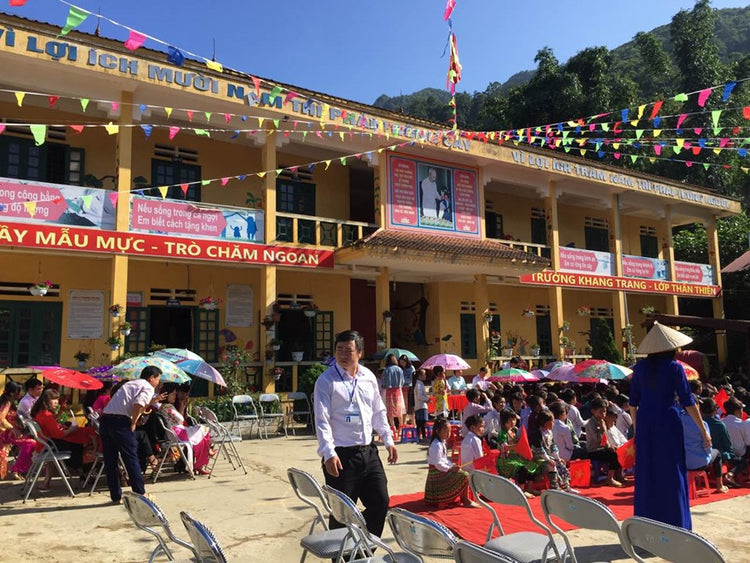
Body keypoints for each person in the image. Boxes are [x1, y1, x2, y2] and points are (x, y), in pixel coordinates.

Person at [313, 330, 397, 536]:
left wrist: (388, 439)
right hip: (341, 456)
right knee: (341, 513)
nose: (342, 354)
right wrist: (328, 453)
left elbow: (378, 411)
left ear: (359, 352)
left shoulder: (368, 377)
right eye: (339, 349)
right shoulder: (326, 381)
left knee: (380, 502)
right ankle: (340, 556)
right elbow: (321, 419)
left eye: (348, 350)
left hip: (368, 452)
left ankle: (363, 549)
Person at [629, 322, 710, 530]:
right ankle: (676, 523)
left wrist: (638, 430)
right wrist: (703, 431)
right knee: (672, 470)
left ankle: (647, 523)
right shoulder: (675, 367)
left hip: (646, 422)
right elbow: (688, 401)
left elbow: (632, 403)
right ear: (671, 347)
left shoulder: (639, 368)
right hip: (667, 420)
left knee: (647, 471)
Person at [100, 366, 166, 504]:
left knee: (111, 461)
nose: (158, 382)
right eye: (158, 379)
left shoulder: (131, 383)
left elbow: (134, 403)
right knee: (130, 457)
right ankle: (140, 493)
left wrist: (152, 402)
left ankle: (116, 496)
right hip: (121, 422)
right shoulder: (148, 387)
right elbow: (137, 406)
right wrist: (134, 422)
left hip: (106, 420)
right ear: (151, 378)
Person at [30, 389, 98, 475]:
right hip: (51, 446)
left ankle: (82, 470)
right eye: (53, 399)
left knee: (79, 439)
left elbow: (52, 426)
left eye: (56, 399)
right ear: (46, 401)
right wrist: (71, 429)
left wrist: (61, 414)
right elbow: (59, 434)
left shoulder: (40, 413)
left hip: (46, 444)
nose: (56, 402)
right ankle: (82, 470)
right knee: (81, 444)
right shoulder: (46, 415)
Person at [159, 383, 213, 475]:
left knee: (202, 434)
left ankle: (201, 462)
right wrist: (181, 407)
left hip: (178, 431)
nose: (174, 396)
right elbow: (180, 419)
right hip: (178, 432)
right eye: (173, 394)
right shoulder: (168, 407)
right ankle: (201, 463)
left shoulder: (165, 406)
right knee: (203, 429)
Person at [425, 417, 474, 506]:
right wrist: (450, 468)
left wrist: (452, 465)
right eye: (445, 431)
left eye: (449, 431)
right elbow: (438, 463)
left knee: (462, 473)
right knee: (465, 475)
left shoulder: (441, 442)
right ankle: (465, 500)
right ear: (437, 431)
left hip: (440, 469)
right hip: (437, 472)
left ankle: (464, 498)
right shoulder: (436, 445)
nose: (448, 434)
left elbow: (443, 459)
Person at [679, 406, 727, 494]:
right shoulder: (702, 424)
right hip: (699, 462)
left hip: (681, 461)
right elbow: (708, 445)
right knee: (717, 453)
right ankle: (719, 485)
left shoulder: (678, 420)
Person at [494, 409, 541, 498]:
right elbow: (503, 448)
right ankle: (521, 489)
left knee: (532, 464)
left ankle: (529, 487)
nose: (513, 422)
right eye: (510, 420)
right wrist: (517, 446)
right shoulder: (502, 434)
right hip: (506, 459)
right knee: (522, 467)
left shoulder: (514, 431)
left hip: (516, 456)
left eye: (514, 419)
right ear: (504, 422)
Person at [700, 398, 740, 488]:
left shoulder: (698, 423)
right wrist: (731, 454)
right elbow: (727, 444)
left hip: (701, 453)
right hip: (718, 454)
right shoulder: (719, 425)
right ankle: (730, 475)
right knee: (742, 461)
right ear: (715, 411)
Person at [0, 381, 36, 480]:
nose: (21, 394)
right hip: (6, 433)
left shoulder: (8, 401)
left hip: (10, 432)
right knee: (31, 443)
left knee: (30, 442)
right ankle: (17, 469)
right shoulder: (6, 402)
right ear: (12, 393)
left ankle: (19, 469)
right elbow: (1, 418)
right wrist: (12, 428)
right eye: (19, 392)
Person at [585, 398, 625, 487]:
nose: (603, 414)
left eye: (604, 411)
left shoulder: (602, 421)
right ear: (593, 411)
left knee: (618, 451)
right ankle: (609, 478)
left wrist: (610, 446)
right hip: (594, 450)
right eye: (600, 411)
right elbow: (597, 439)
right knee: (613, 455)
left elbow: (605, 439)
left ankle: (618, 474)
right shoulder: (590, 423)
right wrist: (602, 428)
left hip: (603, 448)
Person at [530, 410, 572, 491]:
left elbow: (553, 446)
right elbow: (539, 450)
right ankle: (554, 486)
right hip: (539, 458)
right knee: (551, 465)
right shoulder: (538, 433)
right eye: (552, 421)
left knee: (561, 463)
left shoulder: (549, 432)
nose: (553, 423)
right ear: (545, 422)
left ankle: (565, 485)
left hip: (548, 456)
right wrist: (548, 459)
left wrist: (558, 457)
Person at [380, 354, 405, 429]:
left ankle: (393, 426)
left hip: (388, 390)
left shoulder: (386, 370)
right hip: (398, 390)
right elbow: (403, 381)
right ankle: (401, 425)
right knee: (399, 408)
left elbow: (383, 383)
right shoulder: (399, 369)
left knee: (389, 409)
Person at [413, 369, 430, 442]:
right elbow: (419, 396)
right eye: (424, 374)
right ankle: (422, 436)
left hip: (420, 405)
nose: (425, 376)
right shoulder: (419, 384)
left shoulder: (420, 384)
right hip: (421, 406)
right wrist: (427, 399)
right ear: (420, 376)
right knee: (421, 422)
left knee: (421, 422)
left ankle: (421, 436)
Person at [398, 355, 415, 422]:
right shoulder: (400, 369)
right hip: (402, 388)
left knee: (411, 406)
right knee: (404, 406)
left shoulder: (411, 368)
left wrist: (404, 381)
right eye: (401, 362)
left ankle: (413, 421)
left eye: (403, 362)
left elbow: (411, 379)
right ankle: (404, 422)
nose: (402, 364)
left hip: (409, 387)